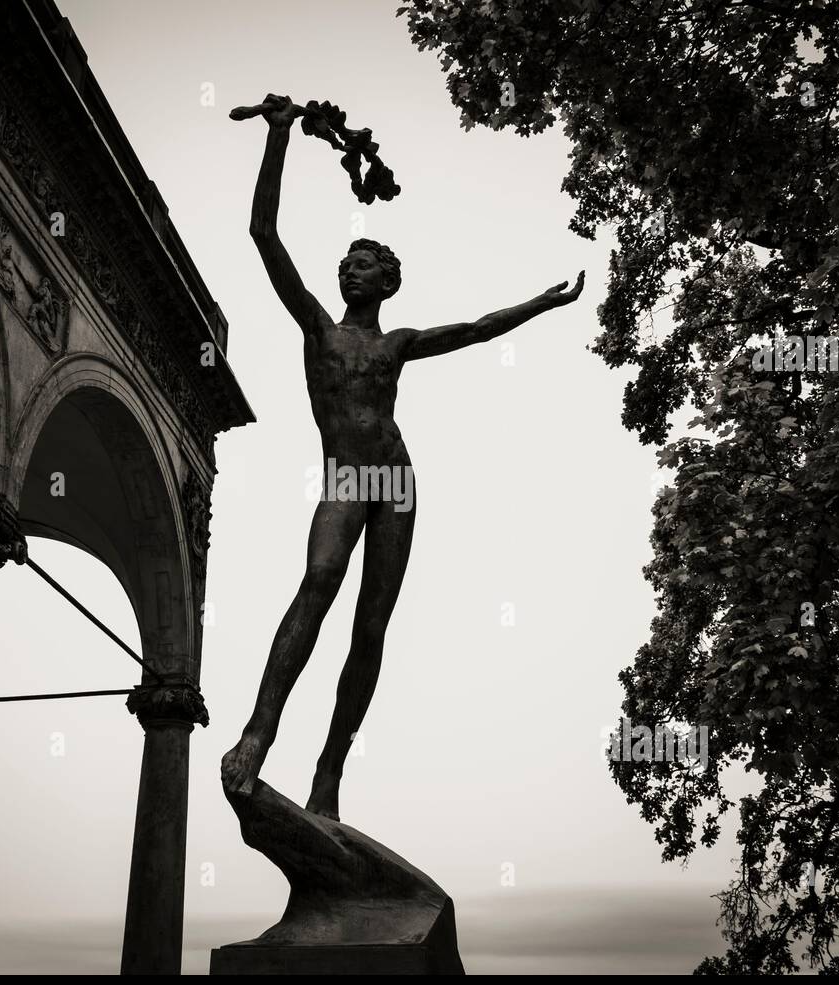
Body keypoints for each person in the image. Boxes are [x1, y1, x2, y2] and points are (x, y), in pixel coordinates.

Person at [221, 94, 585, 820]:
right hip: (347, 476)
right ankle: (258, 735)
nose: (352, 270)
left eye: (366, 263)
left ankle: (329, 772)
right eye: (348, 261)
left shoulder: (398, 343)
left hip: (398, 479)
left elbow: (480, 329)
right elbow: (263, 232)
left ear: (387, 282)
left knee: (371, 626)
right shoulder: (318, 330)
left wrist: (540, 305)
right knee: (319, 579)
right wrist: (280, 136)